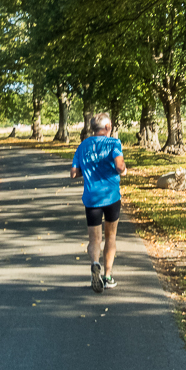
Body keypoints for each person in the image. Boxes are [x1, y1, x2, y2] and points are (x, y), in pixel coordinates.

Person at [69, 112, 127, 293]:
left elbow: (73, 173)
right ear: (108, 127)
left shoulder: (83, 145)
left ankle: (95, 264)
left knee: (94, 239)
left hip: (92, 199)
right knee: (110, 237)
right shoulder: (113, 143)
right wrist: (124, 170)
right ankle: (107, 277)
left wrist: (87, 171)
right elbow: (119, 167)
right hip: (111, 197)